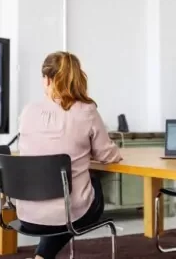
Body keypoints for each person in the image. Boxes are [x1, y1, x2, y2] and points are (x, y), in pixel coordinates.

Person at [16, 51, 122, 259]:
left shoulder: (28, 111)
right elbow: (107, 155)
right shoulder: (87, 110)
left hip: (27, 213)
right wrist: (114, 150)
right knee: (91, 183)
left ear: (47, 79)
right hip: (69, 213)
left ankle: (42, 256)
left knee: (59, 200)